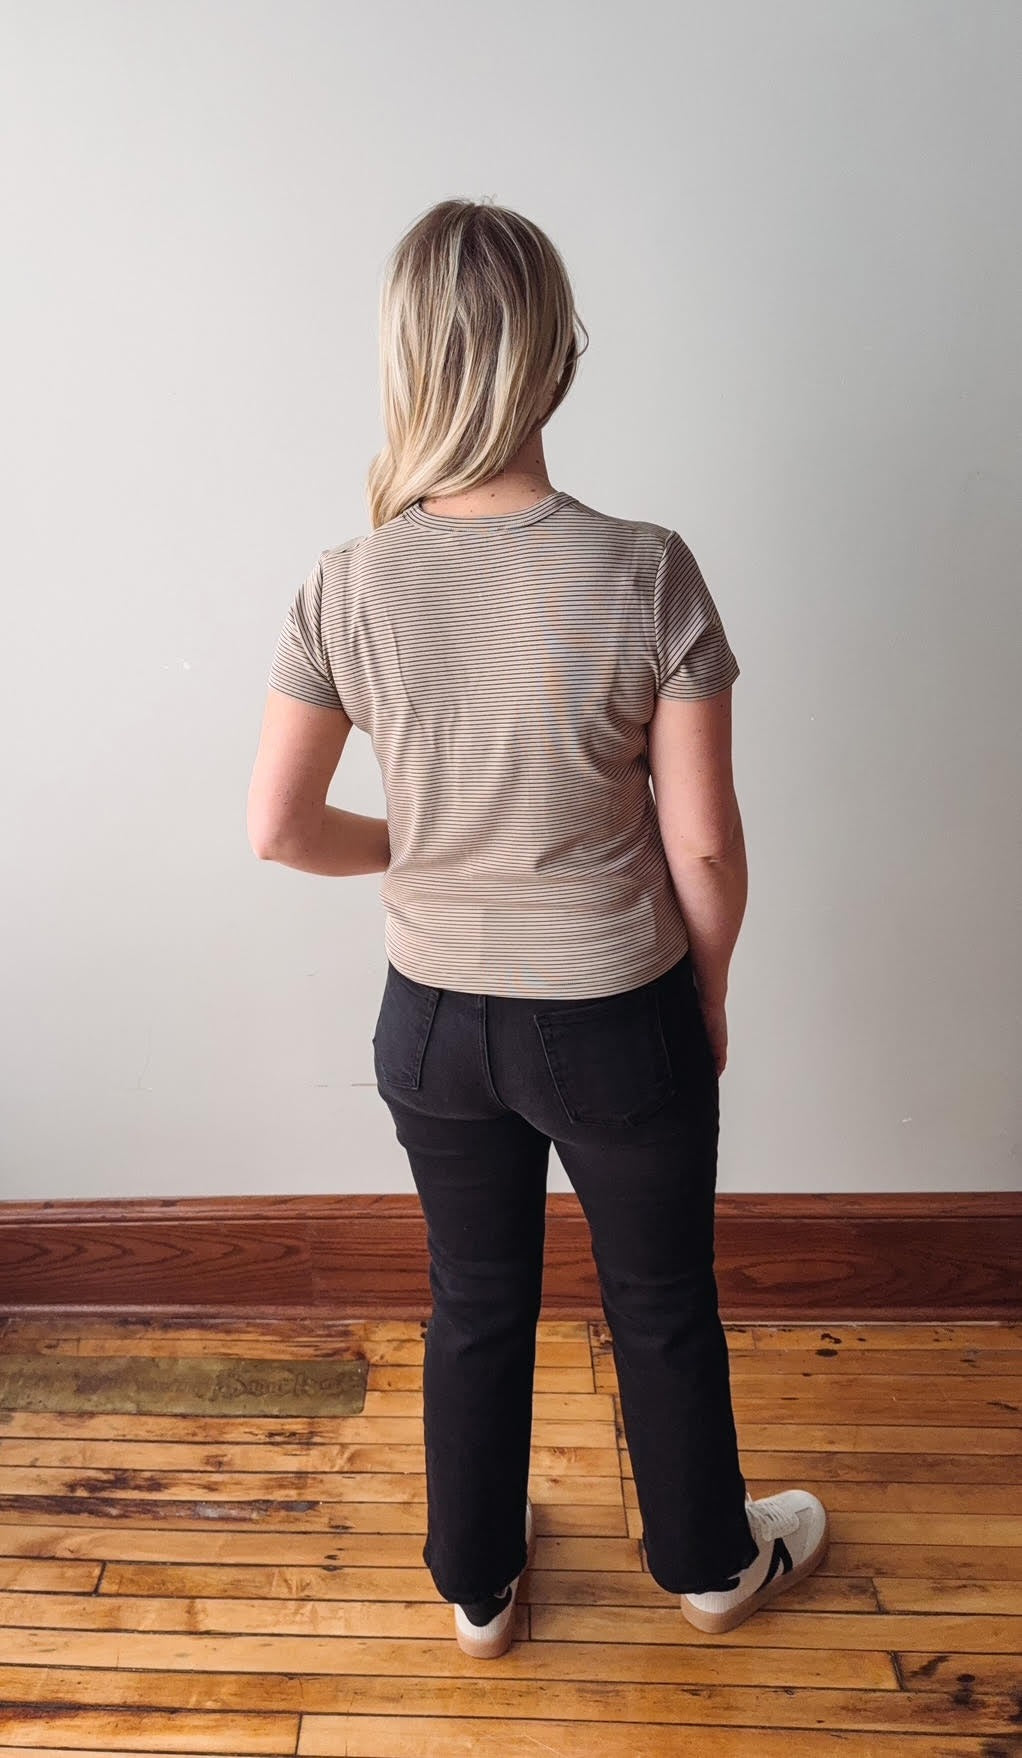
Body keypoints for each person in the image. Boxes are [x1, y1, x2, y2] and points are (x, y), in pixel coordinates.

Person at [247, 196, 829, 1658]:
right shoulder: (644, 569)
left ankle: (477, 1583)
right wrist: (704, 991)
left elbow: (276, 827)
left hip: (431, 1020)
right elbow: (699, 837)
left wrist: (433, 849)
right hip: (613, 1010)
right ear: (554, 357)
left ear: (407, 363)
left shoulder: (343, 579)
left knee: (474, 1298)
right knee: (658, 1297)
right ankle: (707, 1564)